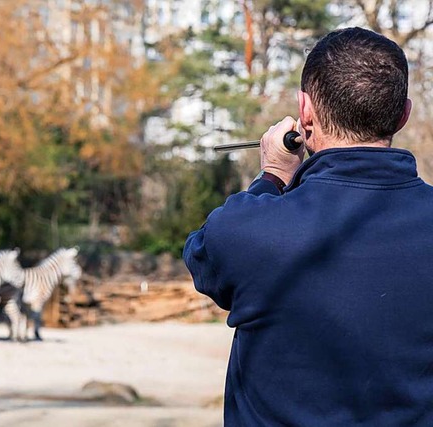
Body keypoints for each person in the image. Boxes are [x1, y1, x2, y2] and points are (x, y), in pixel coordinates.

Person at [183, 27, 433, 426]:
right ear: (404, 114)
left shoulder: (251, 230)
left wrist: (272, 177)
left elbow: (201, 257)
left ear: (306, 111)